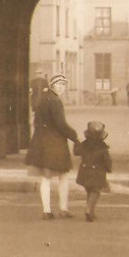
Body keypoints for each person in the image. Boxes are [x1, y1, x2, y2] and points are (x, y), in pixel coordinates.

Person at [24, 73, 78, 218]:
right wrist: (74, 137)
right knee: (63, 175)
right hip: (55, 142)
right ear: (52, 85)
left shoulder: (42, 100)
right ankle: (63, 208)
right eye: (59, 84)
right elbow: (61, 124)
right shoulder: (55, 101)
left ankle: (46, 210)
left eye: (63, 85)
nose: (61, 87)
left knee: (45, 177)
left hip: (41, 141)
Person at [74, 121, 112, 222]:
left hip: (84, 171)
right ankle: (88, 210)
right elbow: (107, 160)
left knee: (89, 191)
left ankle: (91, 212)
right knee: (96, 192)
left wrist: (76, 142)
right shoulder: (103, 147)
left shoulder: (84, 145)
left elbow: (76, 152)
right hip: (97, 172)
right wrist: (109, 169)